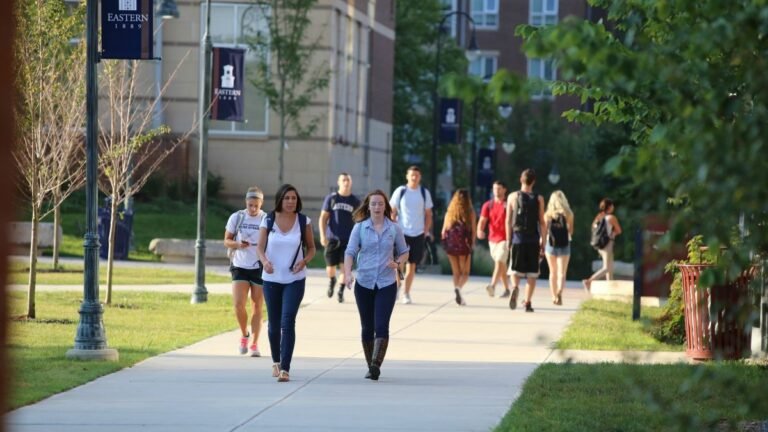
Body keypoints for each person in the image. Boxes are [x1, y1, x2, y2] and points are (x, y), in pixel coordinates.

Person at [343, 190, 409, 380]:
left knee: (381, 325)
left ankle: (375, 366)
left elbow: (404, 252)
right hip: (363, 283)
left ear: (385, 206)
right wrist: (347, 274)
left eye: (380, 204)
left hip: (387, 283)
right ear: (368, 206)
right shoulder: (360, 228)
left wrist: (398, 262)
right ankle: (370, 364)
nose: (377, 207)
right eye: (374, 204)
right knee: (367, 326)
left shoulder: (394, 228)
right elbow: (350, 252)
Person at [256, 184, 316, 383]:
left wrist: (304, 261)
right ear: (280, 199)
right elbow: (259, 248)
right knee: (273, 324)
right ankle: (276, 361)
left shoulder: (303, 221)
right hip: (271, 279)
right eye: (287, 198)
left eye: (294, 198)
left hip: (294, 279)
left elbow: (312, 248)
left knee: (287, 321)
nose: (291, 201)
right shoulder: (269, 219)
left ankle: (286, 368)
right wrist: (264, 262)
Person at [224, 186, 267, 357]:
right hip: (240, 265)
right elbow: (226, 241)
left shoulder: (266, 219)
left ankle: (255, 344)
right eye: (250, 205)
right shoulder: (237, 217)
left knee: (257, 306)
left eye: (256, 205)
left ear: (261, 203)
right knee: (238, 304)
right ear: (246, 203)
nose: (253, 209)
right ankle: (244, 334)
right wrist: (237, 244)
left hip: (259, 266)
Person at [390, 166, 433, 304]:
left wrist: (426, 231)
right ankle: (397, 285)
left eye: (417, 175)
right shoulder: (400, 191)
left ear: (420, 177)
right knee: (399, 264)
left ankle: (406, 293)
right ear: (407, 176)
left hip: (418, 234)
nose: (414, 177)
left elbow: (428, 214)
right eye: (412, 175)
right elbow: (392, 211)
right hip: (402, 233)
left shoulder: (424, 193)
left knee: (412, 265)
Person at [505, 168, 546, 312]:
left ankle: (515, 288)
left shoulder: (512, 196)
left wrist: (508, 239)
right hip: (533, 239)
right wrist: (543, 243)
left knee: (515, 270)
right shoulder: (539, 198)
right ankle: (527, 302)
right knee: (532, 274)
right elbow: (542, 222)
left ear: (520, 180)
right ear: (533, 181)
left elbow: (508, 220)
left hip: (517, 238)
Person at [319, 173, 361, 303]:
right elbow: (323, 218)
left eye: (348, 179)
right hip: (333, 238)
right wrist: (322, 235)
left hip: (348, 241)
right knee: (330, 268)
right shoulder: (331, 198)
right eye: (343, 180)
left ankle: (340, 292)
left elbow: (360, 221)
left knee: (345, 268)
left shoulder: (355, 201)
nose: (346, 182)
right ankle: (332, 280)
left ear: (351, 182)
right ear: (338, 182)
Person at [476, 180, 511, 298]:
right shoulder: (488, 205)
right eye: (495, 188)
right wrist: (479, 230)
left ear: (504, 190)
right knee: (502, 265)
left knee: (499, 261)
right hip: (492, 239)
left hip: (505, 238)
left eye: (499, 188)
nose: (496, 191)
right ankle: (507, 289)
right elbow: (482, 220)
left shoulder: (509, 204)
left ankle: (493, 286)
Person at [441, 189, 476, 306]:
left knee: (456, 273)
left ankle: (459, 295)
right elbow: (473, 232)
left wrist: (446, 245)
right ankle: (458, 289)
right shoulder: (470, 212)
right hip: (464, 247)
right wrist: (472, 245)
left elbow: (443, 232)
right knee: (465, 273)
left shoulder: (449, 213)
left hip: (450, 246)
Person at [583, 198, 622, 292]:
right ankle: (589, 281)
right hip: (607, 244)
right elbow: (619, 230)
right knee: (607, 268)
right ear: (610, 207)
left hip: (599, 245)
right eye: (612, 205)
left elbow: (593, 229)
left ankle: (610, 287)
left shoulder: (598, 217)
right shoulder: (611, 218)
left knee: (609, 267)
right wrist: (612, 234)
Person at [543, 190, 574, 306]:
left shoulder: (547, 215)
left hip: (550, 245)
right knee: (562, 273)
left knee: (552, 272)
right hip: (565, 245)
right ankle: (560, 292)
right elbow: (571, 231)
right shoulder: (569, 214)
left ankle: (553, 296)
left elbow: (545, 232)